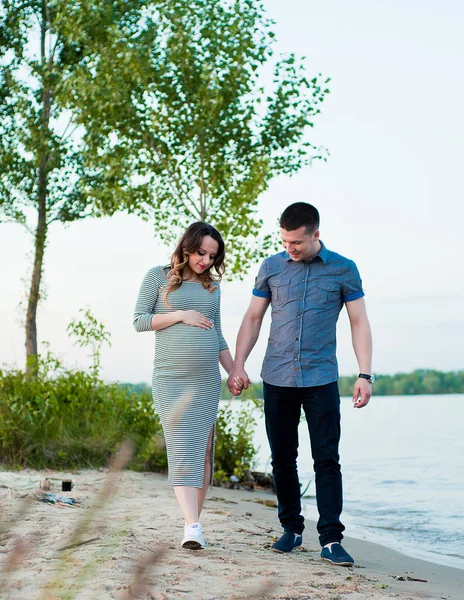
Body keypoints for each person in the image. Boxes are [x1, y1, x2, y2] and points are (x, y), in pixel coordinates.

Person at [227, 202, 373, 566]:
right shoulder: (271, 268)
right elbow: (253, 317)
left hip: (321, 377)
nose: (289, 248)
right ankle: (291, 530)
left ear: (316, 235)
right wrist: (238, 364)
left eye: (296, 242)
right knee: (283, 459)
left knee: (326, 459)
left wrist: (364, 373)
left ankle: (330, 540)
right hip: (276, 377)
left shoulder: (344, 269)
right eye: (284, 241)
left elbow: (359, 322)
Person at [133, 222, 235, 550]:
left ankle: (194, 524)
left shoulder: (213, 288)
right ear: (187, 246)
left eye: (212, 256)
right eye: (201, 252)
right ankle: (192, 525)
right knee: (181, 448)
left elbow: (217, 334)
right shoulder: (158, 277)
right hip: (170, 379)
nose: (205, 260)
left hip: (206, 379)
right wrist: (181, 314)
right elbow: (139, 320)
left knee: (203, 451)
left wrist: (235, 371)